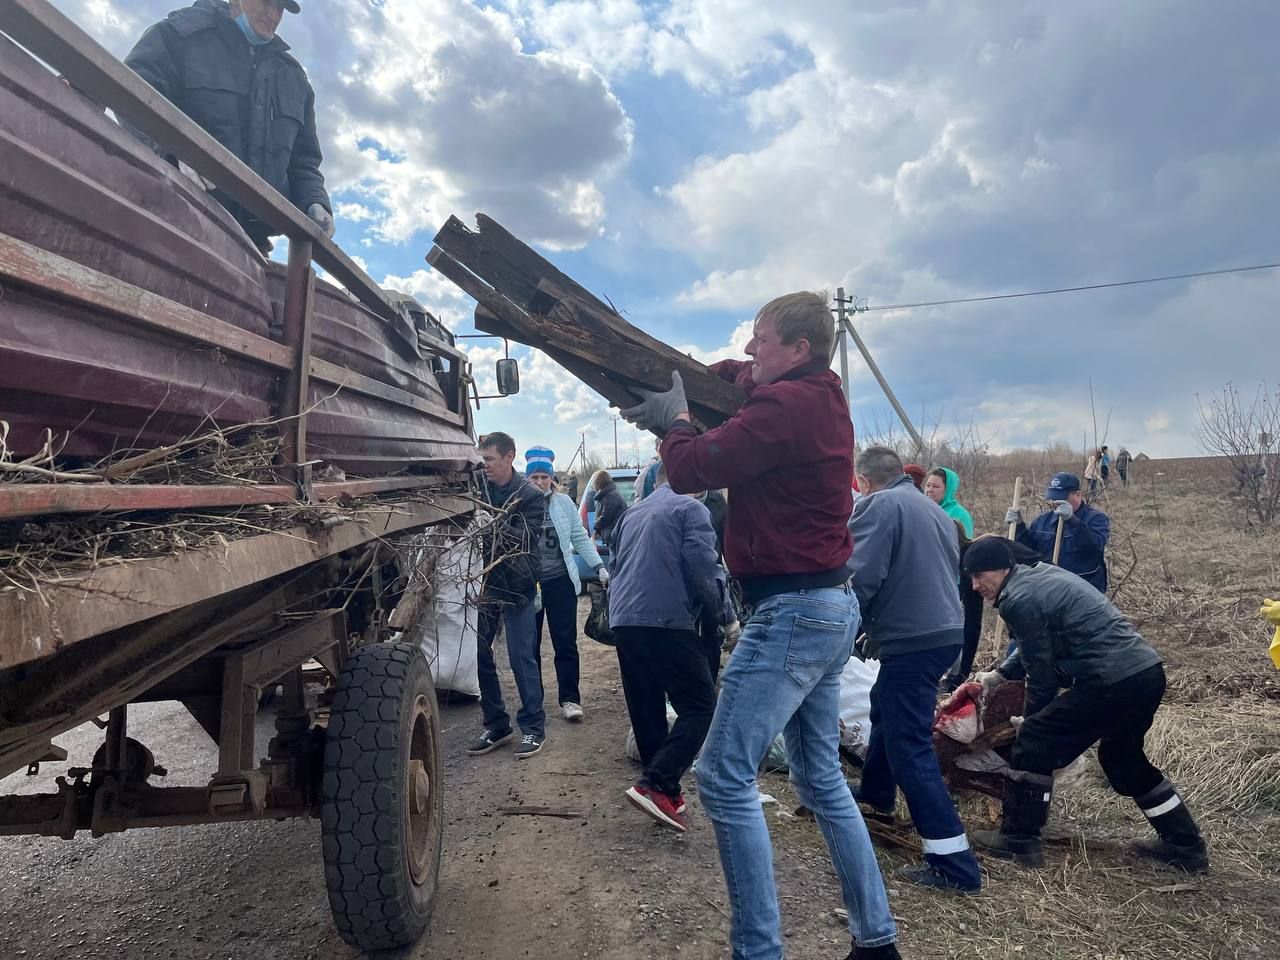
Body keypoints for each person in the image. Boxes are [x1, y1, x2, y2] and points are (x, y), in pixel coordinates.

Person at [621, 290, 899, 960]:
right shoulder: (815, 395)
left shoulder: (786, 406)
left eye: (761, 339)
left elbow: (690, 469)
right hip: (828, 606)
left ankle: (758, 952)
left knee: (721, 774)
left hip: (794, 611)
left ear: (798, 349)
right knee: (820, 780)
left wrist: (676, 420)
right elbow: (745, 379)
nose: (751, 350)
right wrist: (716, 375)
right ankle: (876, 939)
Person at [963, 537, 1209, 873]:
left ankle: (1019, 840)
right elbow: (1038, 644)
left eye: (980, 575)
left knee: (1036, 739)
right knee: (1122, 758)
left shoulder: (1017, 598)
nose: (976, 585)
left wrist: (1031, 719)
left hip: (1111, 680)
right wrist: (1001, 674)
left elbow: (1043, 674)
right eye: (971, 578)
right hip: (1145, 674)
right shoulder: (1038, 577)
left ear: (1004, 568)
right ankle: (1186, 846)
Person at [847, 447, 982, 893]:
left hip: (915, 638)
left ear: (863, 481)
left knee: (910, 744)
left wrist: (842, 623)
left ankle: (954, 863)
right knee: (884, 705)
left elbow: (861, 575)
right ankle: (876, 797)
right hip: (944, 632)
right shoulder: (934, 510)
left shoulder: (878, 506)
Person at [124, 0, 334, 254]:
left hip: (252, 250)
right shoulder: (182, 34)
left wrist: (315, 201)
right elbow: (131, 90)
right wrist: (171, 149)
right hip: (171, 219)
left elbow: (304, 163)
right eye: (267, 1)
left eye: (281, 8)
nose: (274, 14)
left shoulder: (294, 79)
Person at [609, 462, 729, 832]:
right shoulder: (691, 509)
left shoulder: (632, 513)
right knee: (700, 705)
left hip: (624, 619)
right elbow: (703, 567)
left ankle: (663, 791)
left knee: (646, 706)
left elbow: (615, 564)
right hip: (665, 618)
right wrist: (724, 615)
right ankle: (657, 782)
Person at [468, 432, 548, 760]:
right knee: (479, 653)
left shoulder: (530, 494)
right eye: (481, 459)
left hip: (518, 583)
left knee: (520, 656)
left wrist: (495, 524)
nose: (483, 465)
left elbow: (527, 538)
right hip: (486, 583)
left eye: (489, 459)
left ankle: (533, 728)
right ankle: (497, 724)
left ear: (509, 457)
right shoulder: (479, 488)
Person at [525, 446, 606, 724]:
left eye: (543, 478)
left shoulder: (564, 505)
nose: (539, 483)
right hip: (530, 583)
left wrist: (598, 566)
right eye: (534, 477)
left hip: (560, 581)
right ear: (527, 479)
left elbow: (580, 538)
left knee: (565, 642)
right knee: (529, 645)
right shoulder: (517, 503)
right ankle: (533, 700)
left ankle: (570, 699)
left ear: (552, 479)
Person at [1008, 472, 1110, 592]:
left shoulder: (1096, 519)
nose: (1055, 503)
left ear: (1078, 494)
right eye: (1053, 498)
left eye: (1061, 498)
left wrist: (1072, 521)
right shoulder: (1042, 521)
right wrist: (1019, 527)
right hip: (1049, 589)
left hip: (1084, 591)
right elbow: (1029, 553)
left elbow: (1095, 546)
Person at [923, 467, 974, 538]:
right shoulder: (923, 510)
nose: (929, 490)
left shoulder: (960, 514)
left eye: (935, 486)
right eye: (928, 485)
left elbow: (965, 545)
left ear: (948, 489)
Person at [591, 470, 628, 550]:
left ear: (598, 482)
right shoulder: (609, 495)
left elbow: (606, 517)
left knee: (614, 559)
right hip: (614, 535)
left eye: (594, 481)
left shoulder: (610, 496)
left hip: (615, 536)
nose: (593, 484)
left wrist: (596, 526)